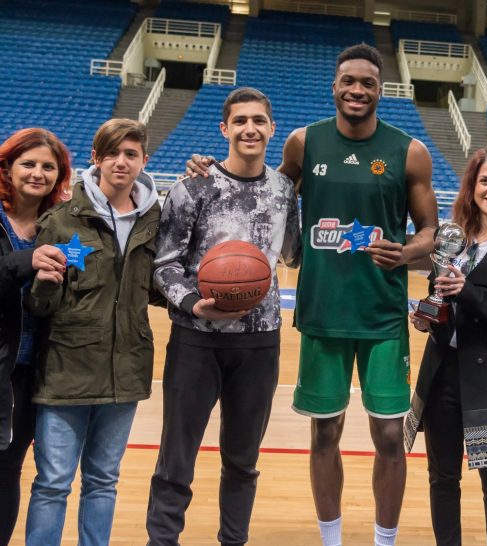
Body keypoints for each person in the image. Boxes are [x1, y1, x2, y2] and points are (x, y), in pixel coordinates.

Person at [186, 44, 438, 546]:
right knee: (325, 432)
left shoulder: (409, 151)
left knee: (391, 436)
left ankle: (384, 541)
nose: (358, 90)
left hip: (383, 315)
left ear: (381, 90)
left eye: (368, 83)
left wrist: (407, 252)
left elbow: (430, 230)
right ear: (334, 86)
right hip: (322, 312)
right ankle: (332, 540)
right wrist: (211, 168)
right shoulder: (305, 143)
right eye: (349, 81)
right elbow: (262, 190)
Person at [146, 87, 301, 546]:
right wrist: (191, 301)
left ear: (272, 128)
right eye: (240, 121)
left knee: (242, 461)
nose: (249, 129)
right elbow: (164, 264)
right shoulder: (191, 187)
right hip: (196, 338)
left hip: (259, 341)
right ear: (224, 128)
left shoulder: (283, 191)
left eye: (258, 121)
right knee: (176, 459)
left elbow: (293, 254)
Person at [24, 118, 161, 546]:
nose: (121, 162)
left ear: (144, 160)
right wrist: (45, 287)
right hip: (65, 373)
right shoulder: (61, 220)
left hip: (126, 373)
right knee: (53, 483)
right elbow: (38, 307)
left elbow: (157, 287)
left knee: (103, 480)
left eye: (131, 154)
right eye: (112, 153)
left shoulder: (155, 220)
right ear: (96, 158)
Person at [404, 147, 487, 546]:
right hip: (443, 372)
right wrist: (428, 317)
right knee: (442, 477)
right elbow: (439, 295)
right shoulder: (452, 236)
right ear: (472, 188)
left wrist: (467, 291)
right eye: (485, 181)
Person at [0, 128, 70, 545]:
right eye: (28, 164)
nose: (38, 173)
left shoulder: (61, 224)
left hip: (32, 371)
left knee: (9, 467)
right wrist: (28, 260)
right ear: (7, 167)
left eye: (48, 166)